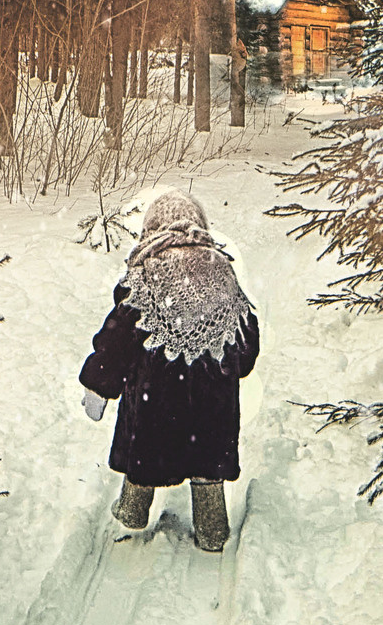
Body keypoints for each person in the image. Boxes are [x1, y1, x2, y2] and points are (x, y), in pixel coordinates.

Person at [77, 191, 259, 552]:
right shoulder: (222, 271)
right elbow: (247, 344)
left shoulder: (143, 277)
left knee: (144, 456)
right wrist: (219, 368)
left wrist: (98, 384)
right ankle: (212, 529)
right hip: (212, 407)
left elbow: (116, 342)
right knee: (208, 467)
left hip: (154, 405)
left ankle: (132, 512)